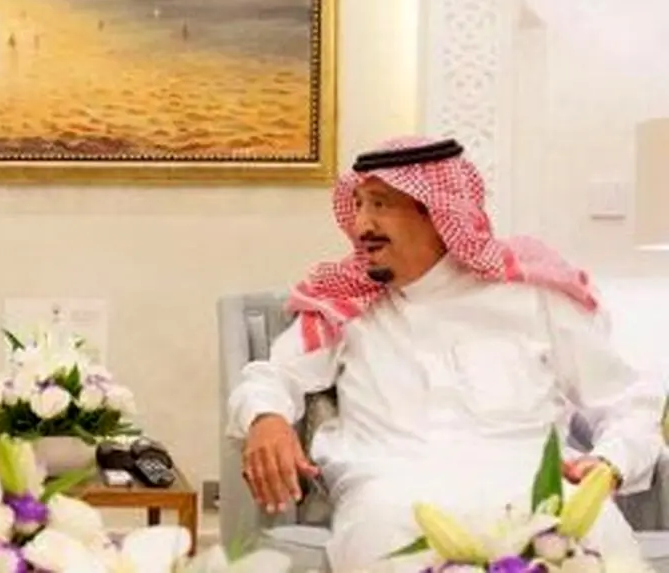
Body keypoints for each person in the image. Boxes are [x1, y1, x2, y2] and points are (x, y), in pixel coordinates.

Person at [227, 135, 664, 572]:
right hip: (394, 491)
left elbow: (627, 399)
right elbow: (272, 376)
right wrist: (266, 418)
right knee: (385, 538)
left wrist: (612, 461)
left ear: (436, 213)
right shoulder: (343, 304)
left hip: (529, 484)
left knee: (597, 531)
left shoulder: (533, 296)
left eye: (379, 204)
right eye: (357, 205)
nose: (360, 225)